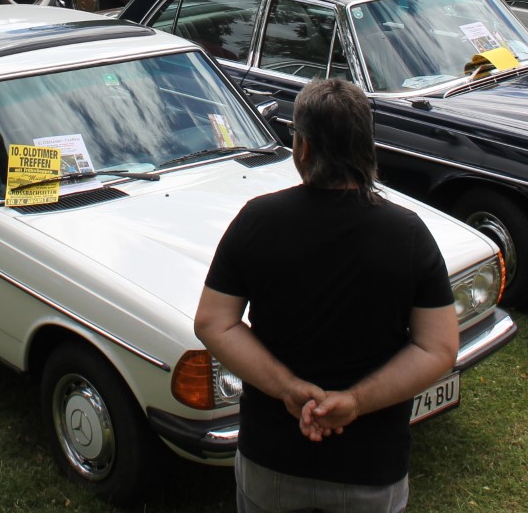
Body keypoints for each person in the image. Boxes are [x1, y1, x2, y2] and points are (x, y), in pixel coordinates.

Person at [195, 79, 459, 513]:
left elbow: (213, 321)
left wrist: (288, 389)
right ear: (365, 146)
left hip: (273, 459)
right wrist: (353, 402)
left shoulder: (257, 220)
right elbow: (438, 346)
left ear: (302, 148)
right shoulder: (408, 233)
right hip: (371, 467)